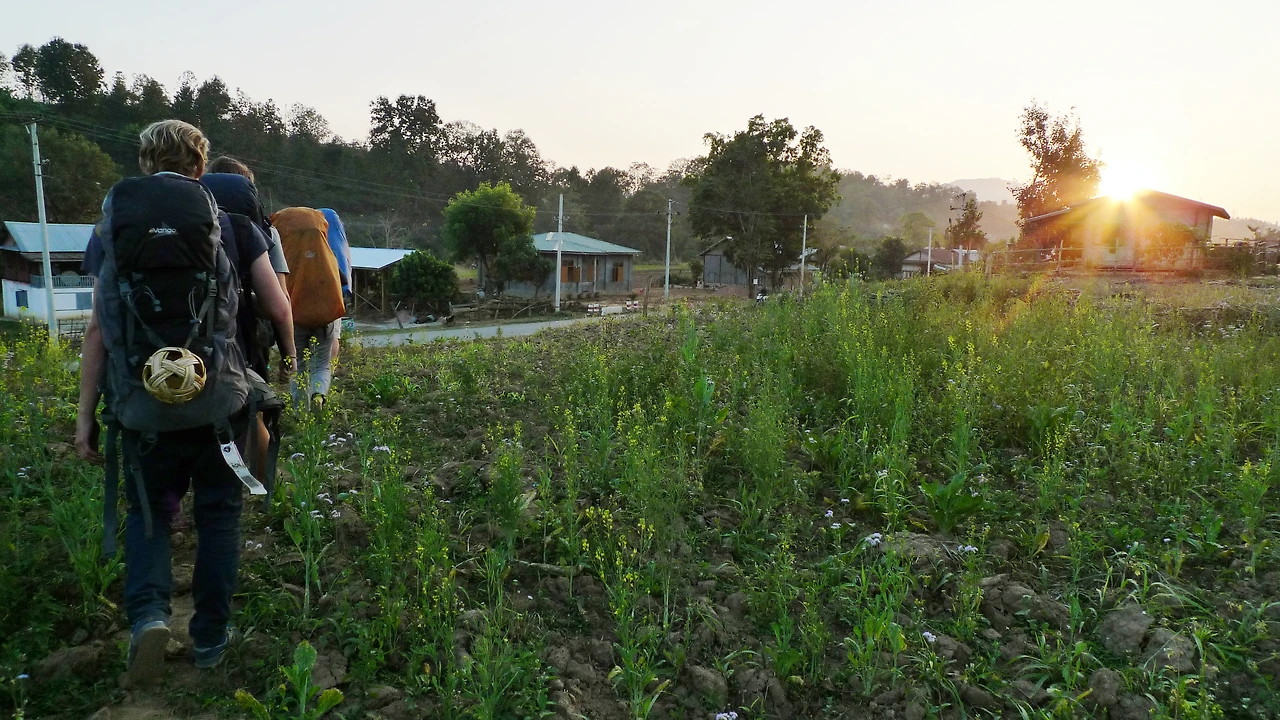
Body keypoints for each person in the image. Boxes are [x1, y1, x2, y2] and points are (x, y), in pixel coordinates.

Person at [75, 120, 295, 684]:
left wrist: (86, 422)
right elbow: (277, 306)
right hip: (219, 403)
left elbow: (99, 332)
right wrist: (289, 359)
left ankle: (149, 616)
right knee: (219, 516)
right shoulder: (233, 225)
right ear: (201, 167)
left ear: (145, 163)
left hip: (144, 409)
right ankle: (210, 638)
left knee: (149, 518)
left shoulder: (111, 230)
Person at [200, 160, 294, 480]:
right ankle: (266, 488)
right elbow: (280, 305)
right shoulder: (258, 230)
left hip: (179, 341)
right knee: (250, 413)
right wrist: (289, 354)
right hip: (242, 340)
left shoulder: (180, 224)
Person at [274, 207, 346, 411]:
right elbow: (342, 281)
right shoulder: (327, 255)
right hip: (326, 317)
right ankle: (318, 395)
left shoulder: (283, 257)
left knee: (299, 367)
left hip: (294, 318)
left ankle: (299, 411)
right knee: (321, 364)